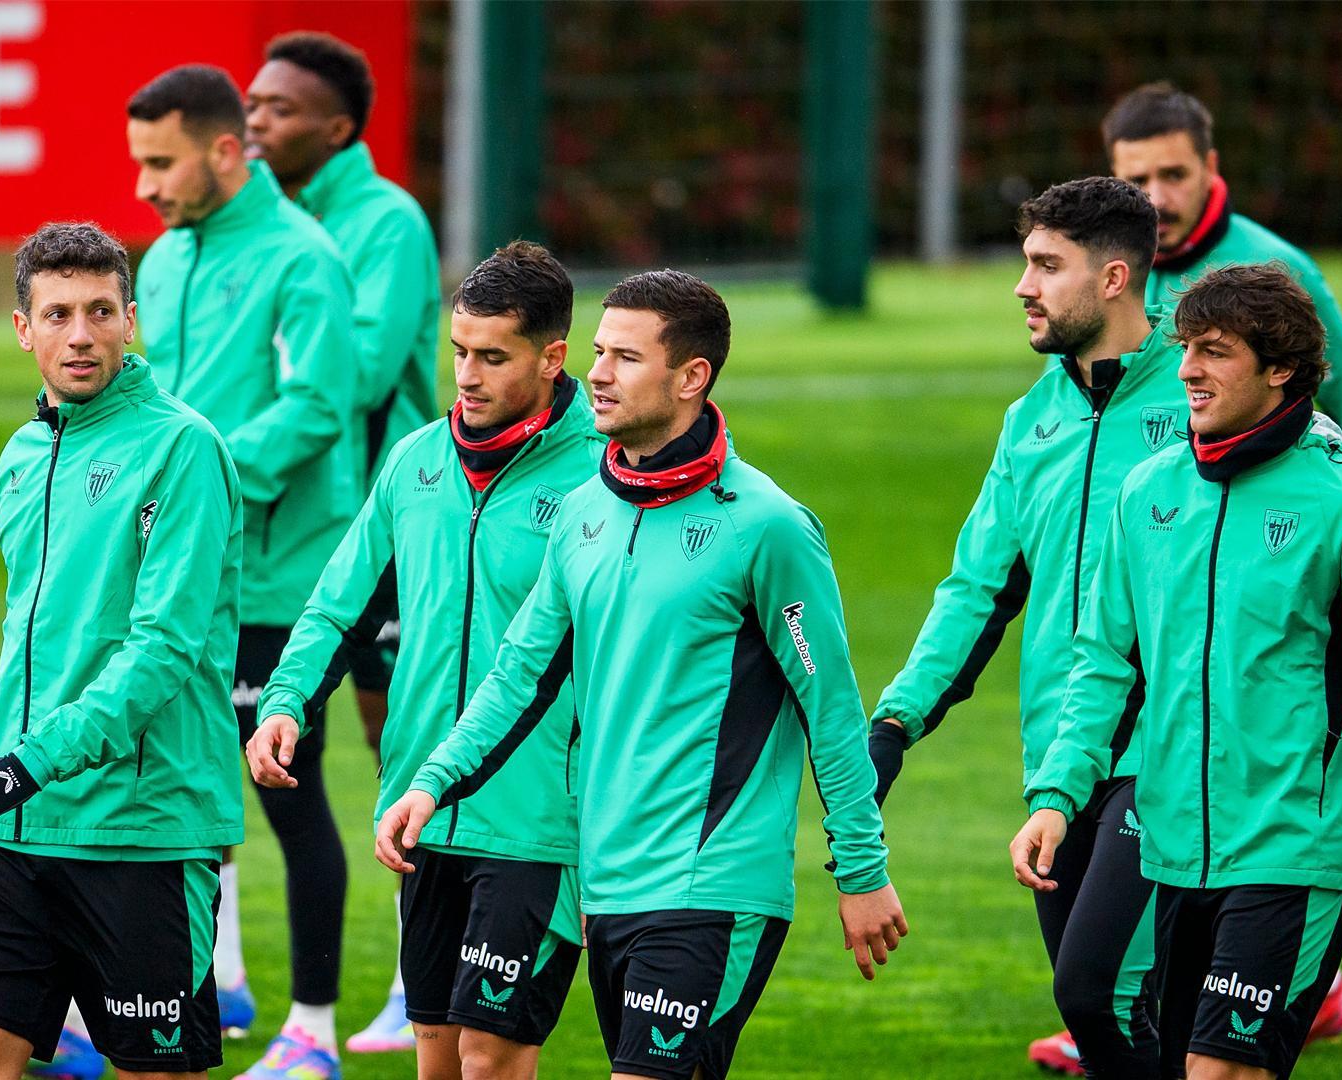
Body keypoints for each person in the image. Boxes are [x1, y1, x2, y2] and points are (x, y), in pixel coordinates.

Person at [377, 270, 908, 1080]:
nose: (595, 373)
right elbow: (521, 675)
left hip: (713, 881)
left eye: (625, 357)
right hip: (607, 881)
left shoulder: (767, 528)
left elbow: (830, 711)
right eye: (597, 351)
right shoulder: (587, 510)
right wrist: (433, 782)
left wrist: (862, 871)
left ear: (692, 377)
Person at [1012, 263, 1342, 1080]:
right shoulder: (1149, 494)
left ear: (1280, 366)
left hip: (1295, 853)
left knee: (1225, 1073)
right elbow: (1104, 666)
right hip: (1175, 853)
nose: (1186, 370)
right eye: (1185, 348)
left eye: (1214, 352)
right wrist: (1058, 797)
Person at [247, 241, 598, 1080]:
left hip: (538, 819)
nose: (466, 377)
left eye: (492, 357)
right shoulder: (414, 462)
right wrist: (286, 701)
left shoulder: (602, 479)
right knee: (437, 1058)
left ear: (552, 359)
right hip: (420, 807)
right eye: (458, 354)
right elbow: (340, 604)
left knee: (490, 1058)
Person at [867, 176, 1177, 1077]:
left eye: (1047, 265)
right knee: (1127, 1013)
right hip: (1058, 757)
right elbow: (977, 591)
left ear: (1114, 278)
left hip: (1168, 752)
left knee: (1097, 995)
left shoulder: (1198, 400)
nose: (1022, 286)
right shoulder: (1031, 420)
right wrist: (897, 720)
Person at [0, 222, 245, 1080]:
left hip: (138, 828)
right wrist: (15, 773)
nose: (80, 334)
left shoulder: (184, 449)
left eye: (100, 311)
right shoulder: (22, 456)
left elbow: (164, 648)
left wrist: (26, 763)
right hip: (18, 824)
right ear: (23, 327)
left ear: (130, 320)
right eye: (57, 313)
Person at [125, 63, 361, 1079]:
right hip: (192, 577)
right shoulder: (170, 258)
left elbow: (316, 410)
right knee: (181, 789)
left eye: (160, 162)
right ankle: (199, 992)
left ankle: (315, 1030)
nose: (144, 186)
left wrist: (198, 486)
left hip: (285, 581)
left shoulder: (305, 260)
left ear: (226, 151)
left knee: (284, 788)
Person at [244, 31, 441, 1057]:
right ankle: (230, 977)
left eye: (279, 107)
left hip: (393, 530)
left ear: (337, 127)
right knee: (253, 741)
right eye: (250, 102)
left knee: (401, 745)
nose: (256, 119)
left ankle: (425, 979)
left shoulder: (384, 222)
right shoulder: (254, 224)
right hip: (297, 539)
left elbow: (358, 380)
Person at [1107, 81, 1342, 586]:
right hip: (1136, 549)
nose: (1157, 199)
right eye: (1137, 180)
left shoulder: (1277, 269)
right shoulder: (1105, 277)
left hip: (1246, 550)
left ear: (1210, 168)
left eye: (1174, 175)